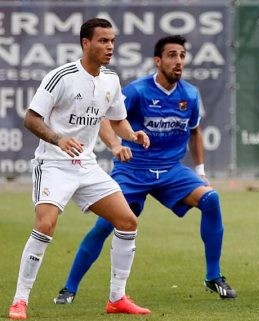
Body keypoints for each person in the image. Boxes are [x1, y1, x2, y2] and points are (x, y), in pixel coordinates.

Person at [50, 35, 237, 306]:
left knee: (211, 199)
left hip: (171, 170)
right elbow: (106, 118)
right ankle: (69, 287)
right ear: (158, 61)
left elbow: (196, 131)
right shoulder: (137, 91)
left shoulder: (190, 94)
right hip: (132, 170)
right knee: (106, 224)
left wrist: (200, 170)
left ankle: (213, 276)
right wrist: (115, 145)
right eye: (172, 55)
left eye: (182, 55)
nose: (179, 61)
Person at [8, 18, 152, 320]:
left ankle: (117, 298)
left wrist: (132, 134)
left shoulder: (111, 80)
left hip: (86, 165)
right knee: (45, 224)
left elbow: (116, 120)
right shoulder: (61, 76)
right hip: (54, 164)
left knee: (127, 221)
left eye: (112, 41)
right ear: (86, 43)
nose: (110, 46)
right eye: (103, 41)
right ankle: (20, 300)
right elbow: (31, 119)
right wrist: (59, 139)